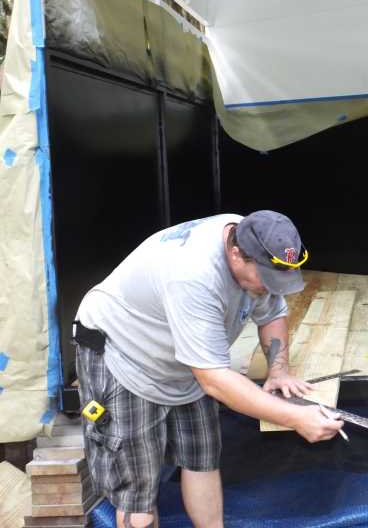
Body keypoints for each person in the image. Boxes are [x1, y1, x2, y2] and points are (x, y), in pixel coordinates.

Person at [73, 210, 344, 528]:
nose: (271, 287)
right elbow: (214, 380)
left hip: (185, 363)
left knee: (201, 458)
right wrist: (296, 417)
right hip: (124, 356)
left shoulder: (255, 240)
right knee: (137, 491)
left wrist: (279, 370)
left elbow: (272, 314)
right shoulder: (192, 274)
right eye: (267, 279)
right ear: (235, 254)